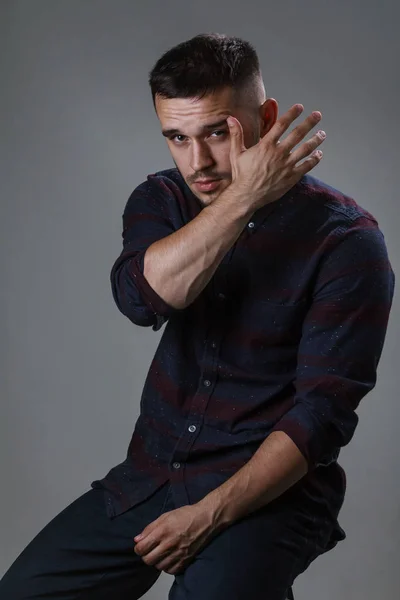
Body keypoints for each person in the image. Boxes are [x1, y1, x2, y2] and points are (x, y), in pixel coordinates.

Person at [0, 32, 395, 600]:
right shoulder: (161, 200)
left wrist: (209, 515)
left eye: (216, 133)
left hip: (268, 494)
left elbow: (321, 417)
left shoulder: (348, 241)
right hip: (155, 475)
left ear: (264, 118)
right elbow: (144, 300)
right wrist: (243, 199)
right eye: (177, 138)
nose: (199, 162)